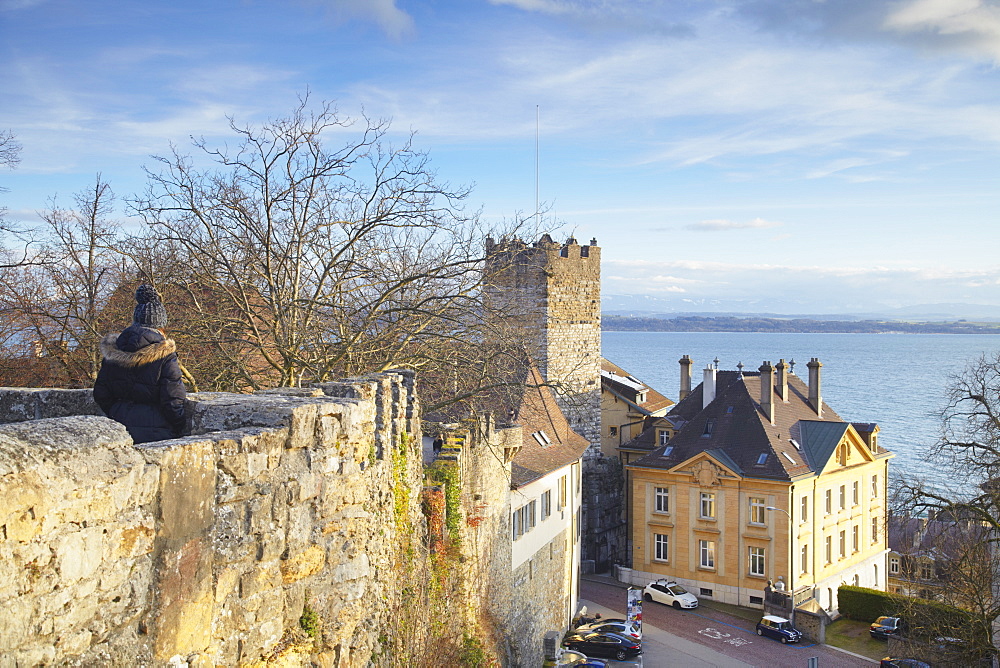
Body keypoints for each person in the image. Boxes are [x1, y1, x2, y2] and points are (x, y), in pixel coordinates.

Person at [93, 284, 186, 444]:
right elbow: (172, 399)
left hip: (117, 429)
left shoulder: (114, 351)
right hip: (156, 431)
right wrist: (178, 425)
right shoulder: (165, 355)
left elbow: (101, 393)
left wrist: (117, 412)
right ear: (161, 326)